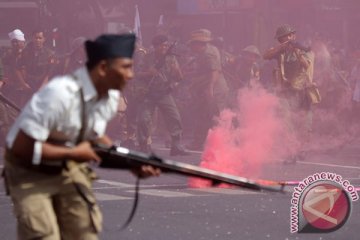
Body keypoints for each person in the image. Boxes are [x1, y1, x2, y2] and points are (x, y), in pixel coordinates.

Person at [2, 33, 160, 240]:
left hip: (67, 165)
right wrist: (76, 150)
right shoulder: (58, 95)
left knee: (84, 228)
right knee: (44, 233)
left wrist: (132, 162)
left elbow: (96, 137)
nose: (130, 76)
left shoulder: (109, 97)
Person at [263, 24, 317, 163]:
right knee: (287, 123)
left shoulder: (304, 49)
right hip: (286, 93)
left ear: (293, 36)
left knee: (304, 125)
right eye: (281, 38)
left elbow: (306, 65)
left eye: (286, 37)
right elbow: (265, 55)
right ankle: (290, 152)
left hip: (303, 92)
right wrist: (280, 48)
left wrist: (297, 51)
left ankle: (301, 149)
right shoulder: (280, 51)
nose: (284, 40)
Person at [136, 34, 189, 156]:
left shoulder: (171, 58)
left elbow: (178, 77)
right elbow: (137, 74)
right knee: (143, 119)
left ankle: (176, 145)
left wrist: (177, 76)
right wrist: (149, 73)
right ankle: (143, 145)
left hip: (164, 93)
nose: (165, 47)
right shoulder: (147, 57)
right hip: (148, 93)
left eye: (166, 45)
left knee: (174, 117)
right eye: (162, 45)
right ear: (156, 46)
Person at [187, 29, 229, 150]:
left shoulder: (208, 53)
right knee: (203, 115)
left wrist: (210, 88)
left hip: (215, 90)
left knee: (216, 116)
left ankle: (220, 143)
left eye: (193, 44)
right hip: (207, 89)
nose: (191, 47)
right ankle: (199, 142)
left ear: (199, 43)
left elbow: (214, 72)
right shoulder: (205, 51)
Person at [1, 29, 30, 107]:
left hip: (26, 88)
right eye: (13, 42)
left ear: (23, 43)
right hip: (10, 87)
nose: (15, 44)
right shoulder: (7, 55)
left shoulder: (28, 54)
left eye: (18, 41)